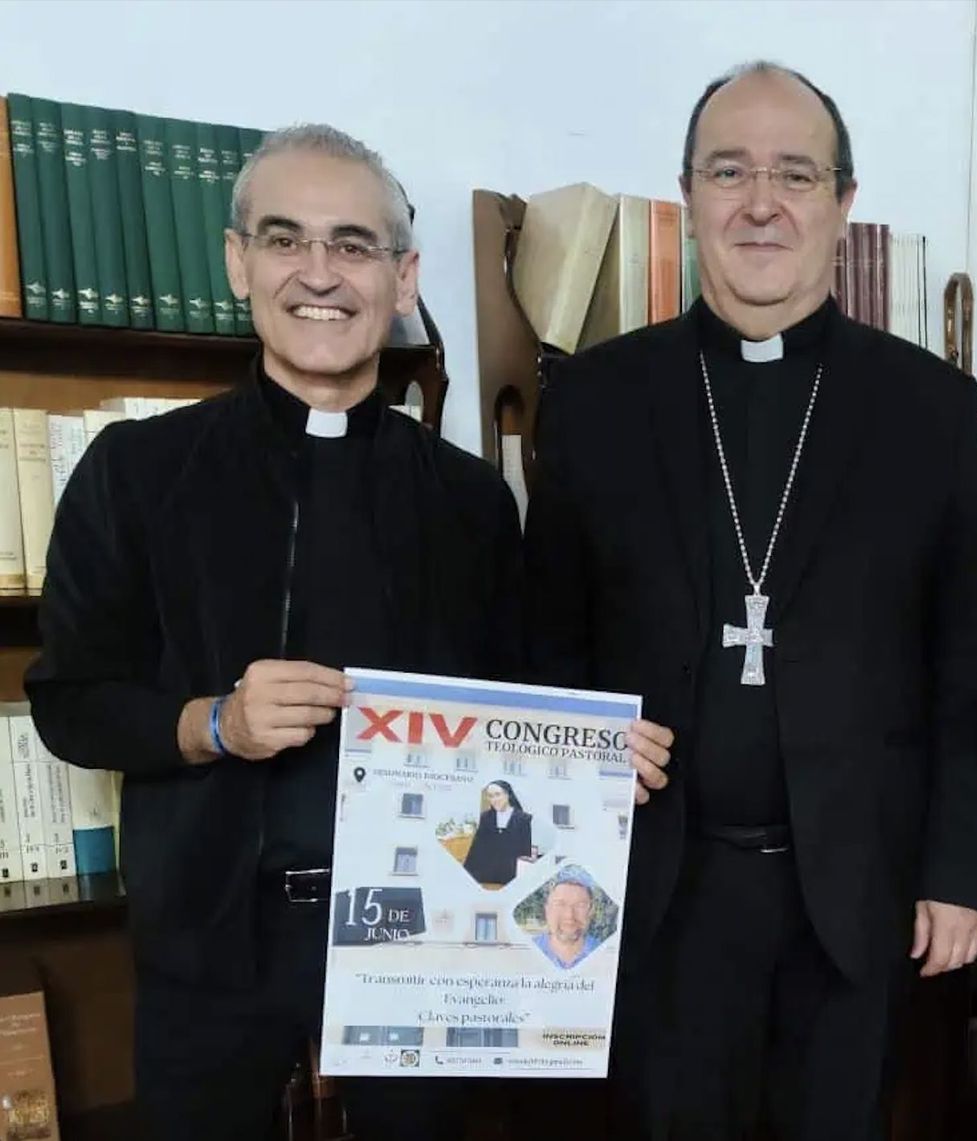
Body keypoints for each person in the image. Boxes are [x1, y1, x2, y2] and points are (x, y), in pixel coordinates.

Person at [22, 123, 672, 1141]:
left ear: (402, 275)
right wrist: (214, 722)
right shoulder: (134, 472)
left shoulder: (469, 502)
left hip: (428, 942)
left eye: (354, 245)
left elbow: (522, 702)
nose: (319, 274)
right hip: (208, 935)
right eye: (286, 240)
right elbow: (69, 702)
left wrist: (592, 755)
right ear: (240, 262)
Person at [524, 61, 977, 1141]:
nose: (760, 202)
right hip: (654, 891)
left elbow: (968, 660)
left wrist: (961, 871)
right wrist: (574, 754)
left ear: (842, 203)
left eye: (795, 174)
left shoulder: (929, 407)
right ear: (688, 196)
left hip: (857, 892)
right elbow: (543, 645)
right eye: (729, 171)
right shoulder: (597, 400)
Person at [462, 779, 540, 886]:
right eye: (490, 796)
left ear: (508, 795)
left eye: (497, 795)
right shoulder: (485, 817)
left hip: (511, 876)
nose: (494, 800)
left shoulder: (524, 819)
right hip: (486, 876)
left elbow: (525, 852)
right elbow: (476, 848)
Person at [533, 871, 604, 970]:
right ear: (547, 910)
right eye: (560, 904)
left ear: (590, 912)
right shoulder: (526, 950)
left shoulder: (606, 953)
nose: (569, 915)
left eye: (580, 905)